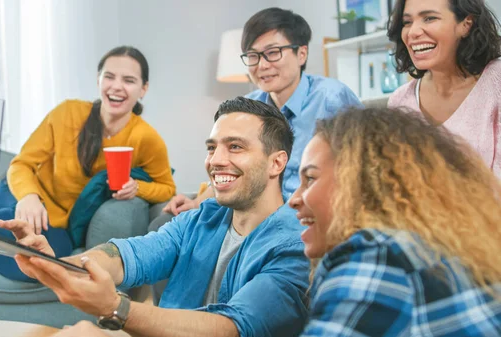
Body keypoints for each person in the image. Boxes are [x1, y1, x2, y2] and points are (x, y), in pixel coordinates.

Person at [0, 97, 310, 337]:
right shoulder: (205, 217)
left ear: (276, 163)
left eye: (235, 147)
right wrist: (59, 266)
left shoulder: (294, 245)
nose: (216, 161)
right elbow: (130, 255)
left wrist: (115, 308)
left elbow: (229, 328)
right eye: (212, 148)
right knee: (41, 331)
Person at [147, 6, 362, 304]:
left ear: (301, 54)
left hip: (298, 215)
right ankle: (179, 316)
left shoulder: (332, 98)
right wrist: (198, 201)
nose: (261, 65)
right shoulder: (247, 105)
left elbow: (359, 170)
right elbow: (232, 167)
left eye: (272, 53)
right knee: (164, 223)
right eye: (253, 55)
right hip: (247, 208)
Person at [0, 46, 176, 282]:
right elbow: (21, 164)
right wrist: (29, 197)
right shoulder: (68, 113)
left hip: (56, 223)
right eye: (109, 76)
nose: (117, 86)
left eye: (129, 80)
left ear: (143, 88)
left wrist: (137, 188)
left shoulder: (147, 138)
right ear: (98, 80)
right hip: (25, 200)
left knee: (45, 264)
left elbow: (166, 187)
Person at [289, 107, 501, 336]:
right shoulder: (452, 252)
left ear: (362, 183)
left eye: (310, 178)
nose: (293, 199)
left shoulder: (378, 256)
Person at [387, 0, 501, 177]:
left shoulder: (496, 81)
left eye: (429, 18)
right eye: (407, 22)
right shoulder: (399, 101)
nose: (413, 32)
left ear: (466, 24)